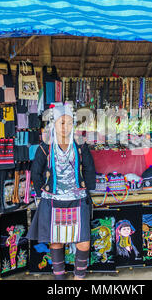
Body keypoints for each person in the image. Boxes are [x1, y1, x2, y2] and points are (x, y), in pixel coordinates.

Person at [26, 103, 96, 280]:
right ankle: (59, 278)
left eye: (69, 123)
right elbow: (35, 171)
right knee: (56, 240)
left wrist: (86, 189)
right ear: (54, 124)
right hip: (53, 200)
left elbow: (89, 168)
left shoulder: (80, 145)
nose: (66, 127)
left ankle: (78, 277)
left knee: (83, 241)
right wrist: (43, 193)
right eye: (61, 123)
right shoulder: (46, 146)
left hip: (78, 200)